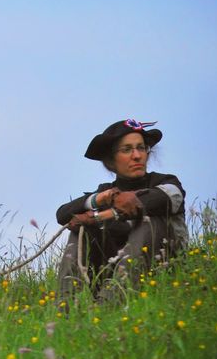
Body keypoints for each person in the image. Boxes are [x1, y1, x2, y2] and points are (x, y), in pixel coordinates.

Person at [56, 119, 187, 306]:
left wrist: (98, 216)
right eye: (127, 150)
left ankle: (108, 307)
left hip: (164, 276)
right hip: (109, 274)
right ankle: (64, 309)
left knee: (150, 223)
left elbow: (152, 201)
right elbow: (62, 214)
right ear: (111, 161)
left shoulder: (167, 183)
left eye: (141, 148)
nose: (137, 156)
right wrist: (98, 200)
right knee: (80, 229)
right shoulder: (105, 193)